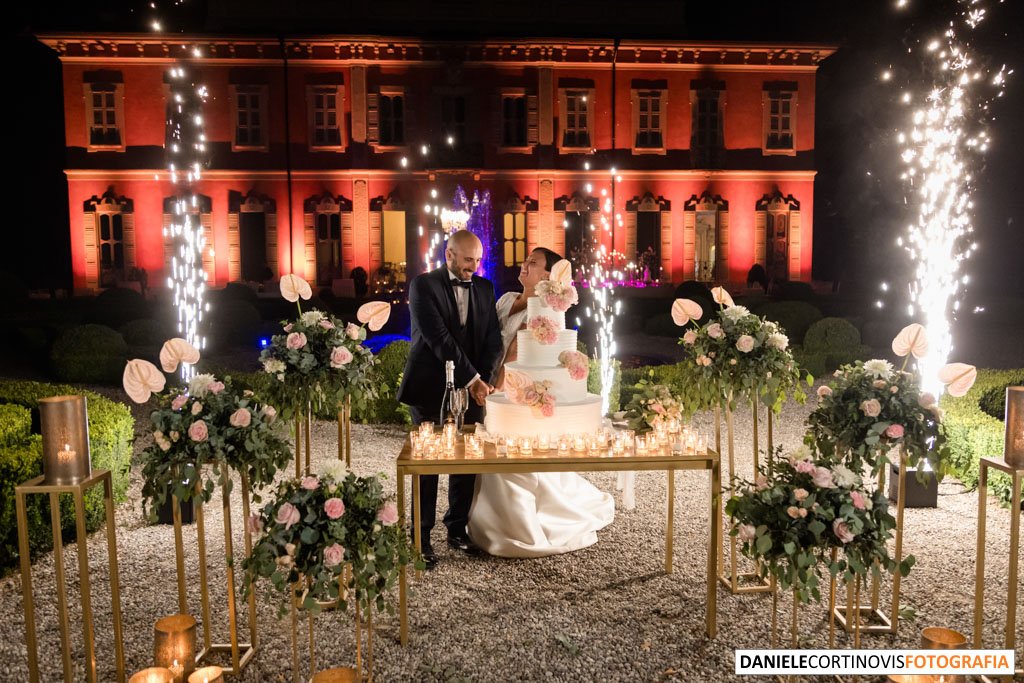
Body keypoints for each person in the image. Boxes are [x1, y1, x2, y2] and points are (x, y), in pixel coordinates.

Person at [468, 247, 615, 557]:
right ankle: (483, 517)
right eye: (525, 260)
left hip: (515, 388)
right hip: (490, 379)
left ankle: (514, 522)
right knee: (492, 445)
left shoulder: (545, 312)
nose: (525, 265)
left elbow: (515, 353)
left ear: (549, 276)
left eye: (533, 263)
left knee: (509, 449)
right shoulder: (507, 299)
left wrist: (496, 387)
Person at [397, 230, 503, 569]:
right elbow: (438, 338)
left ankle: (456, 529)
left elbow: (493, 340)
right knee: (427, 463)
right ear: (449, 255)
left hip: (473, 387)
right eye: (468, 259)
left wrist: (482, 379)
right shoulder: (423, 286)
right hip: (430, 385)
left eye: (477, 260)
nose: (474, 266)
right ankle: (421, 537)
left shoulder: (485, 288)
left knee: (466, 460)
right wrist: (472, 379)